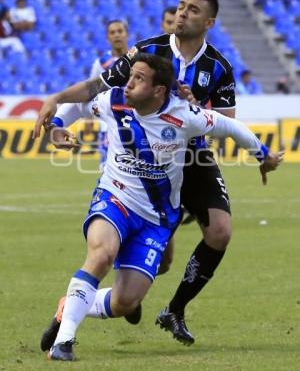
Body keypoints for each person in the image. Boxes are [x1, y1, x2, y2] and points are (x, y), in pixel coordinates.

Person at [33, 0, 255, 345]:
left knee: (219, 233)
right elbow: (97, 89)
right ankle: (91, 300)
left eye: (192, 9)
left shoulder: (219, 67)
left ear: (209, 21)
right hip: (143, 163)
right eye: (180, 7)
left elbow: (226, 122)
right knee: (151, 262)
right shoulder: (148, 51)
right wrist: (56, 112)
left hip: (191, 158)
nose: (182, 13)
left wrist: (193, 107)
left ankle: (174, 309)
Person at [35, 53, 283, 361]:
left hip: (157, 217)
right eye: (131, 76)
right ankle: (65, 342)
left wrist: (262, 154)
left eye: (139, 79)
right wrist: (57, 125)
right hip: (115, 197)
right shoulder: (113, 101)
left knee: (125, 302)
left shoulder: (184, 116)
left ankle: (69, 306)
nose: (129, 83)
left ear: (159, 91)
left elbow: (230, 127)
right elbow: (80, 105)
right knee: (101, 254)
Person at [84, 19, 129, 171]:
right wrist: (88, 119)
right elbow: (90, 90)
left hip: (133, 123)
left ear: (127, 34)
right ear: (107, 37)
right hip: (107, 124)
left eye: (120, 31)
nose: (117, 35)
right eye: (112, 32)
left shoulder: (137, 59)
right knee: (106, 169)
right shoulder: (101, 63)